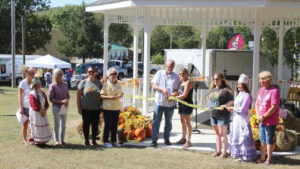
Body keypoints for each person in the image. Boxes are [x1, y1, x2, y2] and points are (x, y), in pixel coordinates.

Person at [227, 74, 257, 161]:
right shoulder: (239, 94)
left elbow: (243, 109)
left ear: (245, 85)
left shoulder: (247, 96)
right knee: (236, 135)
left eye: (241, 84)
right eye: (238, 84)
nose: (239, 86)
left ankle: (245, 156)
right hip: (236, 118)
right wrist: (232, 108)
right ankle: (238, 154)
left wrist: (232, 108)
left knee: (243, 136)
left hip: (243, 119)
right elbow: (237, 106)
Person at [151, 59, 180, 147]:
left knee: (168, 122)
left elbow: (176, 90)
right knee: (156, 121)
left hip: (170, 104)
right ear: (165, 65)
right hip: (159, 102)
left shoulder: (176, 77)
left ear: (173, 67)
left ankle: (166, 139)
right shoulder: (159, 73)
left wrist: (172, 95)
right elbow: (154, 85)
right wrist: (162, 90)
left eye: (171, 66)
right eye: (168, 66)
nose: (169, 68)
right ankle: (154, 140)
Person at [255, 71, 280, 166]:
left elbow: (274, 107)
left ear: (267, 80)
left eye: (261, 79)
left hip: (270, 121)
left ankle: (268, 159)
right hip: (261, 120)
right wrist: (258, 116)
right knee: (262, 140)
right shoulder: (260, 90)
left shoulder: (274, 91)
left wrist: (264, 116)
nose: (259, 81)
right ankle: (262, 158)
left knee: (269, 140)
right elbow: (257, 103)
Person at [208, 72, 234, 158]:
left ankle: (224, 153)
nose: (215, 81)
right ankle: (218, 151)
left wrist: (224, 106)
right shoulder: (212, 89)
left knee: (223, 134)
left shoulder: (226, 90)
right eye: (214, 79)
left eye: (217, 79)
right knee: (217, 134)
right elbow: (210, 100)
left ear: (222, 80)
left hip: (223, 115)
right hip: (213, 114)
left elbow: (231, 101)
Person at [77, 66, 102, 146]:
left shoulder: (99, 83)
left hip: (96, 108)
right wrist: (79, 108)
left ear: (95, 73)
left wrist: (101, 106)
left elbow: (102, 95)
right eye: (89, 72)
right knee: (86, 125)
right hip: (85, 108)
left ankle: (94, 140)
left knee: (95, 125)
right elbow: (78, 96)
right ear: (87, 73)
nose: (91, 73)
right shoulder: (83, 82)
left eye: (92, 72)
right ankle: (86, 140)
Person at [100, 67, 123, 148]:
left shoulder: (119, 84)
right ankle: (105, 141)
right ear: (108, 75)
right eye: (112, 74)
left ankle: (114, 141)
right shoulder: (105, 84)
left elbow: (121, 94)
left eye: (115, 74)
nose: (113, 76)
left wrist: (119, 96)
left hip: (116, 108)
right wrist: (111, 98)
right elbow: (101, 95)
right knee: (108, 125)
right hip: (107, 108)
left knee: (114, 125)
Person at [49, 69, 70, 145]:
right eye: (60, 74)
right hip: (56, 107)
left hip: (64, 107)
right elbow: (51, 98)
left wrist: (67, 101)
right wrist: (61, 101)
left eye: (62, 74)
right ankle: (56, 140)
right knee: (57, 124)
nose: (61, 76)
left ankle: (62, 139)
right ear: (56, 75)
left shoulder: (65, 84)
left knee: (63, 124)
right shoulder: (52, 86)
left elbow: (68, 96)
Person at [28, 77, 52, 145]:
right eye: (37, 84)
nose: (39, 86)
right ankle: (37, 140)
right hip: (36, 114)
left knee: (43, 126)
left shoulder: (42, 93)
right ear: (34, 85)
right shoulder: (32, 94)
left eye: (39, 84)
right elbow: (34, 105)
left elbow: (46, 103)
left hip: (43, 113)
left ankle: (43, 141)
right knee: (36, 126)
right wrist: (40, 111)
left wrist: (45, 110)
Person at [175, 68, 193, 148]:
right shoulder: (181, 82)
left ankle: (188, 141)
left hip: (187, 105)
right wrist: (172, 94)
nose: (181, 75)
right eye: (180, 74)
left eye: (183, 73)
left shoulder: (188, 82)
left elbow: (184, 95)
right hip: (181, 104)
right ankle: (183, 138)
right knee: (182, 122)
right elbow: (178, 93)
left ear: (187, 74)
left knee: (187, 122)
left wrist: (174, 97)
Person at [18, 66, 35, 146]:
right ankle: (24, 140)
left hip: (33, 107)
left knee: (32, 124)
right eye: (32, 73)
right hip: (25, 107)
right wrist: (21, 108)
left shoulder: (34, 82)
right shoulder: (22, 83)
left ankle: (31, 139)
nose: (33, 75)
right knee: (25, 124)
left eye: (34, 73)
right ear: (27, 74)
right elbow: (20, 96)